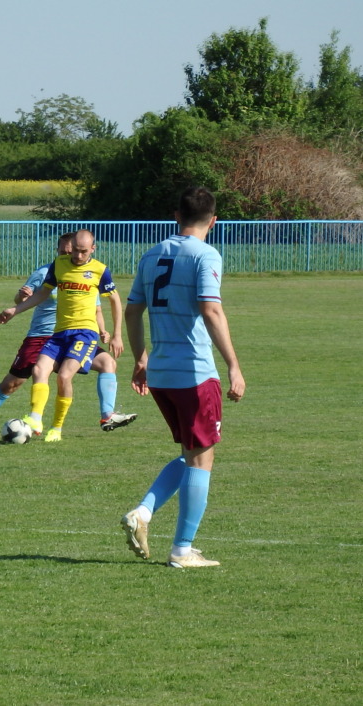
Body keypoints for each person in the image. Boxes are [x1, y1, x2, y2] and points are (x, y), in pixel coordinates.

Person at [119, 186, 246, 569]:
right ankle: (182, 550)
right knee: (202, 459)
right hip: (194, 372)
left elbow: (131, 311)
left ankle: (144, 512)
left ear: (176, 215)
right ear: (214, 220)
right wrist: (234, 365)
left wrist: (141, 358)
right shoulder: (205, 254)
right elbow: (211, 310)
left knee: (191, 453)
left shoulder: (152, 253)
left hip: (161, 372)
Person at [0, 233, 135, 435]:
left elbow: (96, 307)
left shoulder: (94, 271)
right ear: (58, 251)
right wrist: (17, 305)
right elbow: (25, 297)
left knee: (107, 363)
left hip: (79, 335)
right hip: (43, 337)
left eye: (78, 251)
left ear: (91, 249)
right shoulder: (48, 270)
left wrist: (105, 331)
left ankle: (98, 417)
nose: (74, 256)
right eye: (67, 252)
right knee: (12, 383)